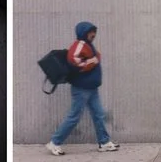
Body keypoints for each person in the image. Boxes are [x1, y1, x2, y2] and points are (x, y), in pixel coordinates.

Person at [45, 21, 120, 154]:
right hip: (81, 89)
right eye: (91, 31)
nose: (93, 34)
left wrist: (94, 58)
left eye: (94, 31)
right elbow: (73, 61)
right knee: (74, 117)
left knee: (98, 115)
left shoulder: (88, 45)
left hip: (92, 88)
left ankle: (104, 142)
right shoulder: (79, 45)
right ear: (83, 32)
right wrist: (93, 60)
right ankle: (54, 142)